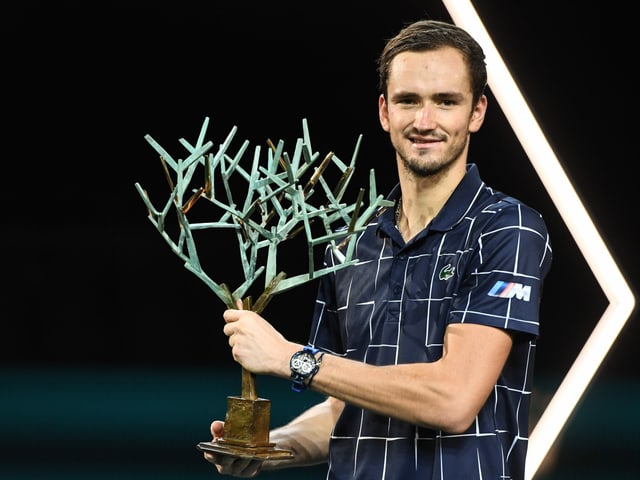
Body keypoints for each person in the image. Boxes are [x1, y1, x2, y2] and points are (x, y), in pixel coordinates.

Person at [204, 18, 553, 479]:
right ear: (386, 112)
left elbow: (452, 398)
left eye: (445, 102)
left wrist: (291, 358)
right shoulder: (349, 240)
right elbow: (344, 412)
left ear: (477, 112)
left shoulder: (508, 229)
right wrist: (270, 446)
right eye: (409, 101)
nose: (424, 122)